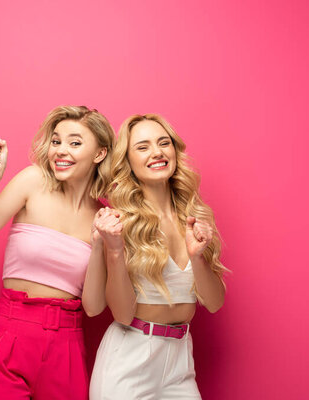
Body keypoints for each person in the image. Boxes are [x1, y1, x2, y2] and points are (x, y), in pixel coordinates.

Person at [0, 106, 115, 400]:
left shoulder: (104, 217)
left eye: (75, 142)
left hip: (66, 347)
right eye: (56, 141)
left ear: (100, 154)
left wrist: (99, 246)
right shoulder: (33, 182)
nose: (60, 150)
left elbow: (93, 307)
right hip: (10, 336)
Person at [88, 114, 227, 399]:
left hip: (179, 360)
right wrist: (114, 250)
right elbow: (124, 314)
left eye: (164, 143)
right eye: (143, 146)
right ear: (127, 161)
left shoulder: (194, 217)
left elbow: (214, 303)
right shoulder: (119, 221)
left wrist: (198, 257)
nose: (157, 152)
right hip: (130, 358)